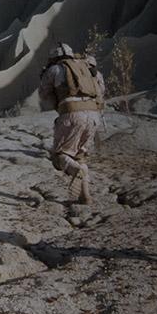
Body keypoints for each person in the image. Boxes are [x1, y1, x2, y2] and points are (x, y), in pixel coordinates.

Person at [37, 43, 105, 204]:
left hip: (72, 114)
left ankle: (75, 171)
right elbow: (101, 90)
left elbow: (43, 95)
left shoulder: (54, 69)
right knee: (80, 156)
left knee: (60, 155)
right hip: (94, 116)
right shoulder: (89, 68)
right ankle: (85, 195)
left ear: (55, 57)